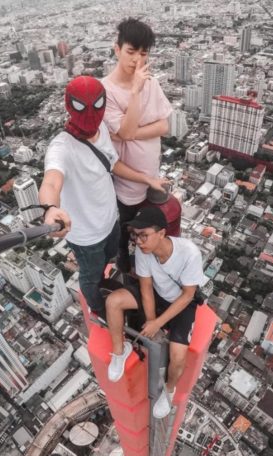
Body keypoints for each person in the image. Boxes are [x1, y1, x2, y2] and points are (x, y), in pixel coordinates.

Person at [39, 76, 168, 318]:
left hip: (110, 221)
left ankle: (104, 284)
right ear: (69, 105)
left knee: (109, 257)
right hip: (86, 236)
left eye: (97, 105)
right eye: (81, 107)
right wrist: (49, 208)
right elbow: (51, 180)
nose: (90, 114)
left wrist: (147, 179)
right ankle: (98, 309)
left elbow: (113, 163)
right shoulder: (62, 147)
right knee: (90, 275)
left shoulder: (101, 131)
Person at [103, 207, 206, 419]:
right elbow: (146, 287)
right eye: (135, 235)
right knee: (114, 301)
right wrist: (150, 320)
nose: (139, 241)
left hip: (181, 302)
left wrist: (158, 323)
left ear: (161, 233)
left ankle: (169, 390)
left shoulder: (189, 253)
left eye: (144, 235)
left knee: (178, 356)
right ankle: (120, 351)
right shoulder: (143, 252)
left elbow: (188, 295)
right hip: (157, 294)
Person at [102, 18, 172, 273]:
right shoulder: (105, 90)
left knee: (150, 229)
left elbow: (164, 126)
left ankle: (148, 268)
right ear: (117, 49)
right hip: (128, 182)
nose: (137, 61)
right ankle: (122, 261)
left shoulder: (150, 82)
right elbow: (127, 131)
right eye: (131, 52)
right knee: (125, 229)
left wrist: (127, 134)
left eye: (143, 54)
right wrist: (134, 92)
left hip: (152, 174)